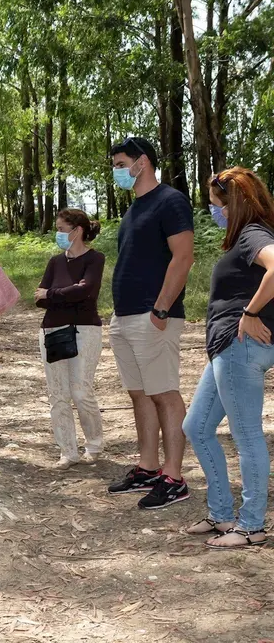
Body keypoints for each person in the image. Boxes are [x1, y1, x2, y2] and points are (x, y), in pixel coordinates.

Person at [182, 168, 274, 549]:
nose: (212, 209)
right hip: (226, 348)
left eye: (215, 202)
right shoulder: (244, 237)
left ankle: (252, 526)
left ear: (231, 202)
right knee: (196, 427)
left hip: (240, 347)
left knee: (247, 434)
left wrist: (250, 314)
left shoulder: (253, 233)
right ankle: (222, 515)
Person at [107, 136, 195, 509]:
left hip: (153, 318)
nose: (117, 171)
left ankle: (174, 477)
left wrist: (161, 309)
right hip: (125, 317)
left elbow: (184, 256)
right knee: (139, 393)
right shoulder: (134, 209)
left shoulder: (170, 201)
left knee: (164, 393)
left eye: (120, 163)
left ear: (142, 162)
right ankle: (148, 467)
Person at [35, 208, 106, 470]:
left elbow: (86, 290)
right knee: (58, 394)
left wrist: (52, 294)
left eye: (62, 229)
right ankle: (68, 451)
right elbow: (38, 299)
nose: (58, 234)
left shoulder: (94, 259)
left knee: (81, 390)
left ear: (77, 231)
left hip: (85, 329)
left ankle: (94, 444)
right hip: (52, 330)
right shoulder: (55, 262)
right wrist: (63, 294)